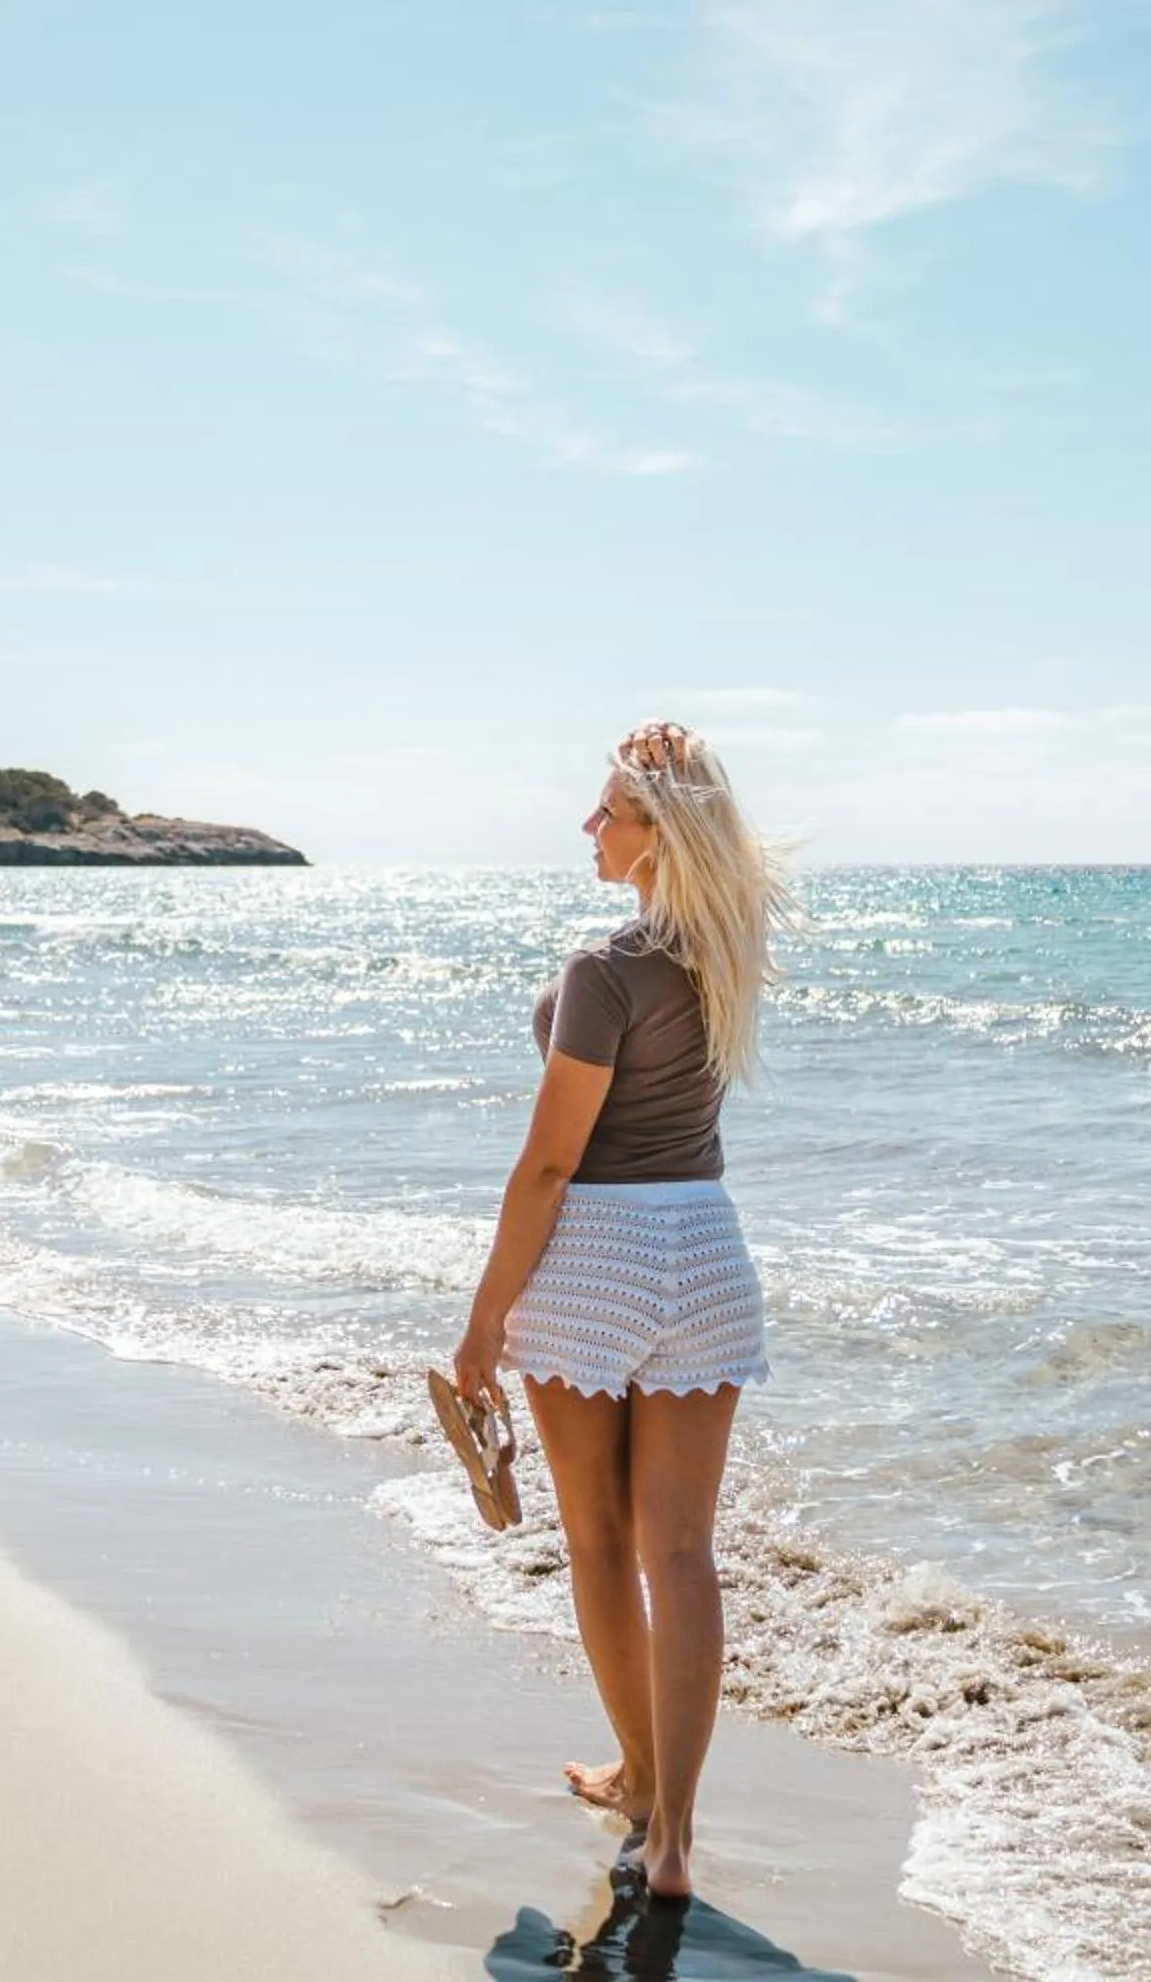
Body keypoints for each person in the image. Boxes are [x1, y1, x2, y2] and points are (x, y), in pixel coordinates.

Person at [450, 719, 788, 1904]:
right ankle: (678, 1834)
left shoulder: (604, 971)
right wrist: (676, 764)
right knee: (684, 1550)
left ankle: (645, 1782)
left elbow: (550, 1165)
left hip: (596, 1253)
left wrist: (485, 1318)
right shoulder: (728, 946)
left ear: (659, 835)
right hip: (704, 1247)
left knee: (600, 1536)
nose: (589, 827)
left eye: (611, 811)